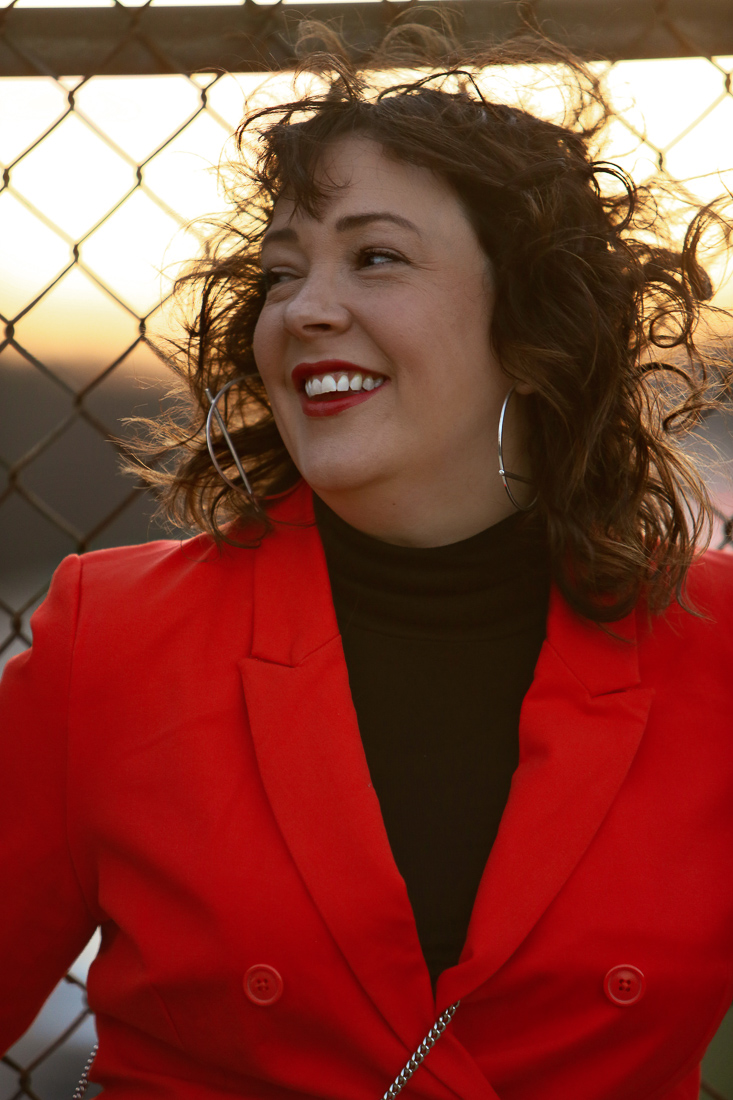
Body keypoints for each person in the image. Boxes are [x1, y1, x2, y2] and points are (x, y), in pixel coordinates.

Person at [1, 26, 733, 1100]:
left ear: (531, 320)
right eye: (281, 274)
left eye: (374, 256)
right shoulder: (112, 635)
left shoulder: (712, 649)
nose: (304, 309)